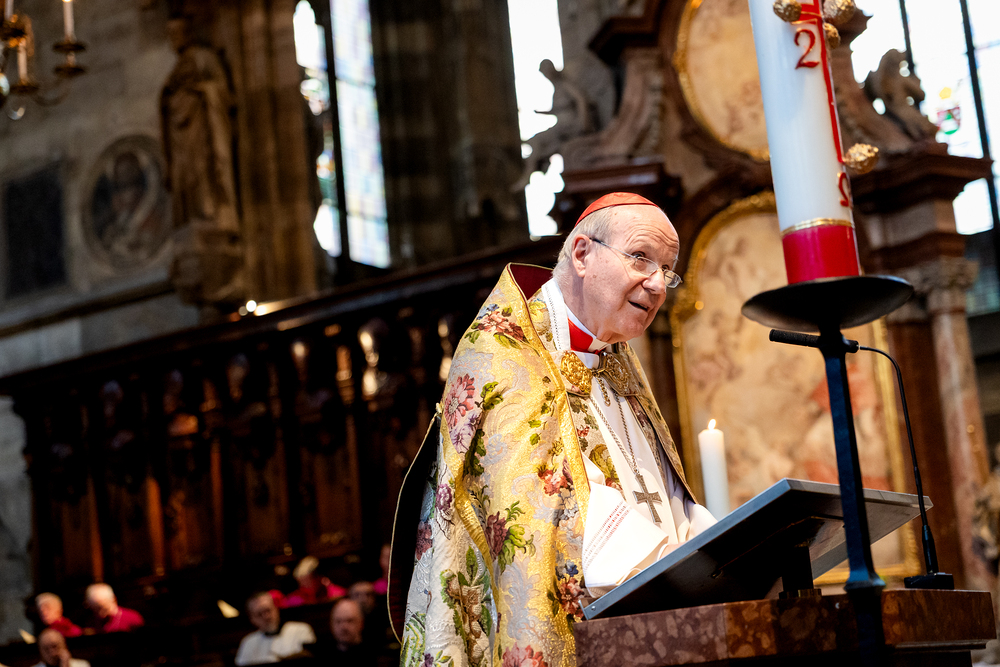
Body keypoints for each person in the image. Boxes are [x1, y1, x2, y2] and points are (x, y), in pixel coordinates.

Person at [393, 193, 717, 666]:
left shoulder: (615, 354)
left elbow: (663, 493)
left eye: (667, 269)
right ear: (582, 254)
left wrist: (717, 550)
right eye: (640, 257)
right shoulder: (503, 352)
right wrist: (674, 565)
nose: (656, 283)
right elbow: (536, 515)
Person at [235, 591, 316, 665]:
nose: (266, 617)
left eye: (268, 610)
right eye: (259, 614)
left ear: (276, 608)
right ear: (252, 619)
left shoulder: (301, 630)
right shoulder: (248, 643)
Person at [280, 556, 346, 608]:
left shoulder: (337, 594)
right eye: (301, 582)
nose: (304, 586)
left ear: (318, 577)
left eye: (307, 581)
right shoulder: (294, 599)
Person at [327, 598, 366, 666]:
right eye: (338, 621)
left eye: (349, 621)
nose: (343, 627)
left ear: (361, 623)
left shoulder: (376, 656)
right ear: (331, 625)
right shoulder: (323, 657)